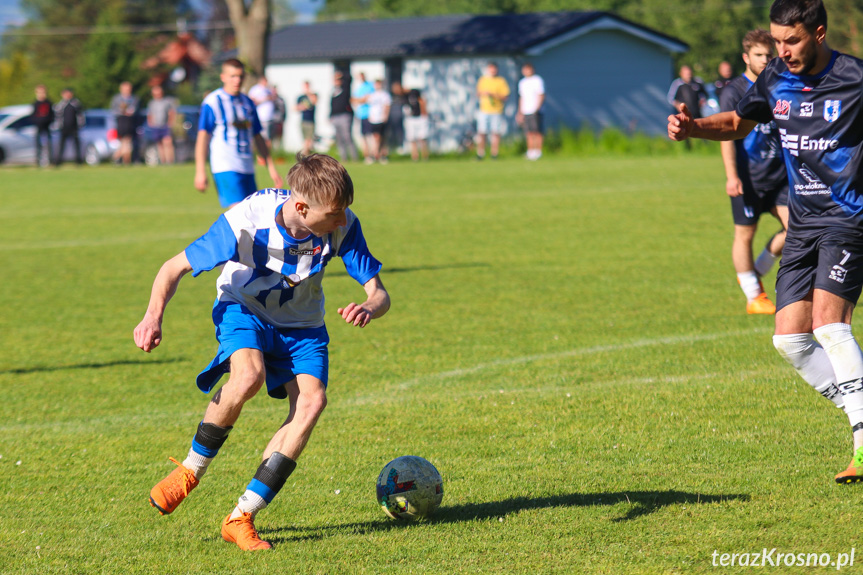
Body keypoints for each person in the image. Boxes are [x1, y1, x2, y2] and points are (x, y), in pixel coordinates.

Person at [135, 153, 390, 551]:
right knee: (248, 376)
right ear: (302, 207)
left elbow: (379, 292)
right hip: (243, 308)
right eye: (335, 213)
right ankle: (190, 471)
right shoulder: (247, 219)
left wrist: (369, 306)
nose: (342, 221)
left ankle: (242, 516)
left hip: (302, 325)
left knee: (312, 403)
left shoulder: (344, 225)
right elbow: (173, 267)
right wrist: (153, 317)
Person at [668, 0, 863, 484]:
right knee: (791, 341)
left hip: (849, 217)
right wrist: (694, 128)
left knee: (829, 326)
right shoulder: (775, 77)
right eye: (777, 41)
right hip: (802, 223)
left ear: (819, 34)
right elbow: (738, 122)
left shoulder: (856, 78)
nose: (782, 51)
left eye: (792, 40)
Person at [718, 29, 788, 315]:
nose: (765, 60)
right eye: (759, 55)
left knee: (798, 229)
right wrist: (732, 176)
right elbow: (727, 136)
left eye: (769, 55)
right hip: (748, 178)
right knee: (745, 233)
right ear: (746, 57)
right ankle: (753, 295)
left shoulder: (781, 84)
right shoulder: (734, 91)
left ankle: (758, 268)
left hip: (781, 175)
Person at [195, 59, 283, 208]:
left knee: (252, 215)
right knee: (240, 215)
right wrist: (200, 171)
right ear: (223, 77)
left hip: (247, 166)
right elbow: (203, 137)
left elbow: (257, 136)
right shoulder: (213, 102)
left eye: (240, 76)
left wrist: (271, 167)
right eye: (233, 76)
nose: (237, 80)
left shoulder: (248, 103)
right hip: (225, 165)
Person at [475, 62, 510, 160]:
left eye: (494, 69)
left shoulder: (501, 81)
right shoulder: (483, 80)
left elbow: (505, 96)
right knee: (482, 132)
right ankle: (480, 153)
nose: (492, 71)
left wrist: (493, 94)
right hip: (484, 110)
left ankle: (494, 154)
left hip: (497, 110)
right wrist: (483, 93)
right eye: (491, 69)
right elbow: (478, 93)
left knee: (495, 132)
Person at [516, 62, 545, 161]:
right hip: (526, 110)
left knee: (537, 131)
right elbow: (521, 98)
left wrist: (537, 108)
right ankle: (530, 151)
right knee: (528, 132)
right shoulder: (522, 82)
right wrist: (520, 112)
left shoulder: (537, 80)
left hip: (535, 110)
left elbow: (541, 94)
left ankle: (538, 151)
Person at [330, 71, 358, 162]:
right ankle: (344, 158)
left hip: (345, 116)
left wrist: (341, 74)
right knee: (339, 138)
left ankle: (354, 157)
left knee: (347, 137)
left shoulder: (345, 89)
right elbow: (332, 105)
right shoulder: (333, 92)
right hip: (335, 117)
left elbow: (349, 79)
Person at [147, 84, 178, 165]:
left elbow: (172, 112)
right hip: (156, 126)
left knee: (167, 143)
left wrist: (170, 122)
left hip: (165, 125)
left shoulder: (166, 102)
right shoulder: (152, 103)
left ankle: (170, 161)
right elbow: (150, 114)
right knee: (159, 144)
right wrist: (150, 122)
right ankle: (163, 161)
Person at [53, 87, 84, 166]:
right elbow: (57, 115)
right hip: (64, 127)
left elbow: (80, 115)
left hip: (74, 127)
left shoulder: (75, 103)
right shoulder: (61, 104)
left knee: (76, 144)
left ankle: (78, 160)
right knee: (61, 145)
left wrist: (80, 124)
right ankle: (58, 161)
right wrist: (57, 125)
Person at [110, 81, 139, 165]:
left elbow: (135, 109)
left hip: (130, 122)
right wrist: (122, 111)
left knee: (127, 141)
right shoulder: (116, 98)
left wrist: (130, 112)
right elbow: (113, 110)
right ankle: (122, 159)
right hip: (121, 121)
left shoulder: (134, 98)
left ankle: (122, 159)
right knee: (125, 142)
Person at [365, 79, 391, 164]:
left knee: (381, 137)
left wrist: (385, 116)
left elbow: (387, 106)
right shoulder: (372, 95)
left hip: (381, 119)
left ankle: (378, 155)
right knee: (376, 137)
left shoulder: (384, 95)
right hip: (373, 119)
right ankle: (376, 154)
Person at [248, 75, 276, 151]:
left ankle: (267, 156)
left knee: (269, 138)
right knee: (262, 138)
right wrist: (264, 99)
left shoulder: (268, 89)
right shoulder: (255, 89)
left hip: (270, 117)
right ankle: (261, 156)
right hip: (262, 117)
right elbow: (252, 102)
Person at [351, 72, 375, 160]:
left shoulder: (370, 86)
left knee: (371, 136)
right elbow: (354, 100)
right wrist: (361, 100)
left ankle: (374, 154)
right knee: (363, 136)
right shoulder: (357, 88)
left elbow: (371, 98)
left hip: (370, 115)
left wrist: (362, 100)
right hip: (360, 115)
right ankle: (367, 156)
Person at [31, 85, 54, 167]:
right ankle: (38, 161)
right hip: (39, 126)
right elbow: (33, 115)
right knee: (38, 144)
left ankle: (50, 160)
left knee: (48, 144)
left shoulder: (48, 103)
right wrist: (37, 121)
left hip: (47, 126)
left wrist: (48, 121)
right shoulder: (35, 103)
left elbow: (52, 115)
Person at [404, 88, 429, 162]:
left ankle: (425, 156)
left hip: (420, 119)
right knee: (412, 139)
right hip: (412, 120)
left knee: (422, 138)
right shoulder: (407, 99)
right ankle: (415, 157)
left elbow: (424, 111)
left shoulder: (421, 100)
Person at [296, 81, 317, 156]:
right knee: (305, 140)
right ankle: (306, 154)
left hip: (311, 121)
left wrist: (309, 94)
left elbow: (314, 102)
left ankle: (305, 154)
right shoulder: (300, 97)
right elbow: (296, 107)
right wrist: (301, 107)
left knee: (309, 139)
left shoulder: (313, 95)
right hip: (303, 120)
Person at [387, 81, 406, 156]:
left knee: (400, 132)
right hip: (391, 118)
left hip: (400, 117)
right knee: (390, 133)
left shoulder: (403, 96)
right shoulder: (390, 95)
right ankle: (390, 147)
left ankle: (400, 146)